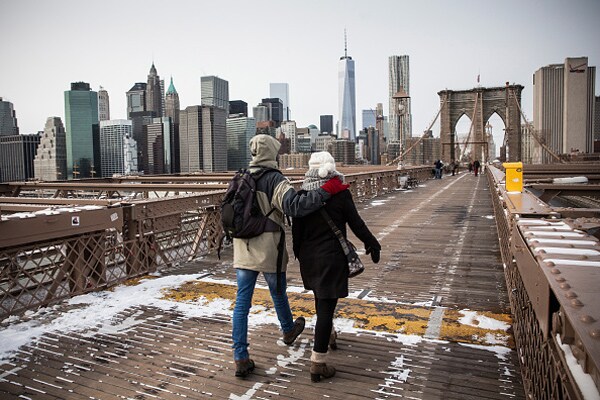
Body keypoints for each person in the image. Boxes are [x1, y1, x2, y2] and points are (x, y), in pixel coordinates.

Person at [231, 135, 347, 378]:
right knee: (277, 291)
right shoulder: (275, 179)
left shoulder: (240, 176)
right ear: (272, 153)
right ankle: (287, 329)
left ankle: (241, 357)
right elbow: (296, 207)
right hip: (268, 248)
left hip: (243, 247)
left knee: (242, 304)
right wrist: (327, 190)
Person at [292, 151, 381, 382]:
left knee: (321, 300)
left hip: (310, 258)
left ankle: (329, 335)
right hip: (331, 258)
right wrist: (372, 243)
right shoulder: (340, 194)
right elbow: (356, 224)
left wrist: (301, 256)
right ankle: (318, 363)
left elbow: (296, 233)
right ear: (331, 169)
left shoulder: (302, 196)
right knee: (325, 308)